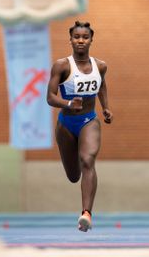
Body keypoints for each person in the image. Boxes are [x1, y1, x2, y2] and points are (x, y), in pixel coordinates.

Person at [46, 20, 113, 232]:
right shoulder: (62, 66)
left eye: (85, 37)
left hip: (89, 120)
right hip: (66, 124)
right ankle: (74, 153)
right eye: (77, 37)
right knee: (74, 175)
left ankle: (86, 214)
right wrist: (68, 103)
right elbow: (49, 97)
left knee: (88, 160)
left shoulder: (100, 66)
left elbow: (101, 84)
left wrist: (106, 108)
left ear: (91, 40)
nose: (81, 40)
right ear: (71, 40)